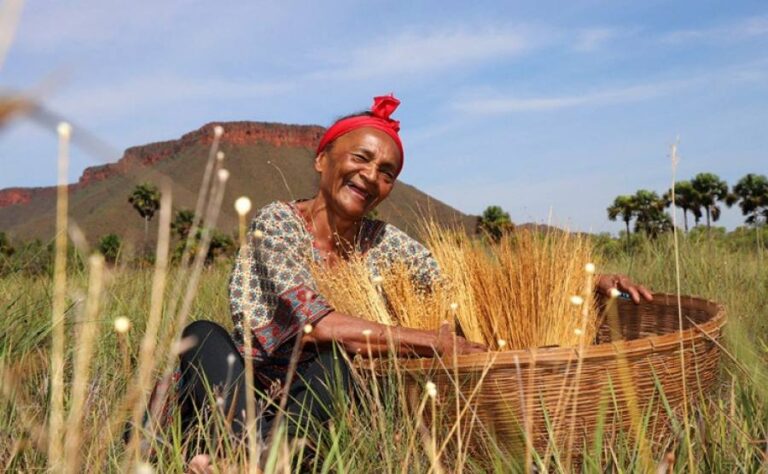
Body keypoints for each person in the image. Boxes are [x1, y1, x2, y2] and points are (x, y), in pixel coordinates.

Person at [175, 94, 653, 472]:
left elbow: (472, 286)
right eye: (361, 158)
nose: (371, 175)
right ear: (323, 159)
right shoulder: (276, 223)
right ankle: (263, 458)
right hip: (249, 385)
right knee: (201, 334)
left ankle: (243, 463)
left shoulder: (386, 243)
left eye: (387, 172)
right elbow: (316, 325)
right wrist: (434, 343)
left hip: (317, 395)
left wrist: (586, 282)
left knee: (339, 366)